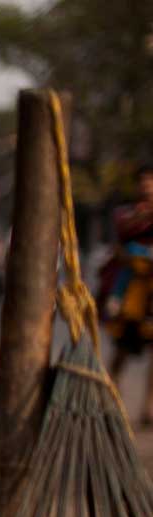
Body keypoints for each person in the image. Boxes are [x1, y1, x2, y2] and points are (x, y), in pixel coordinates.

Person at [101, 165, 153, 425]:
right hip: (131, 290)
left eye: (151, 182)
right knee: (122, 346)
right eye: (143, 182)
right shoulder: (126, 213)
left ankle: (148, 408)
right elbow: (119, 241)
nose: (147, 187)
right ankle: (111, 398)